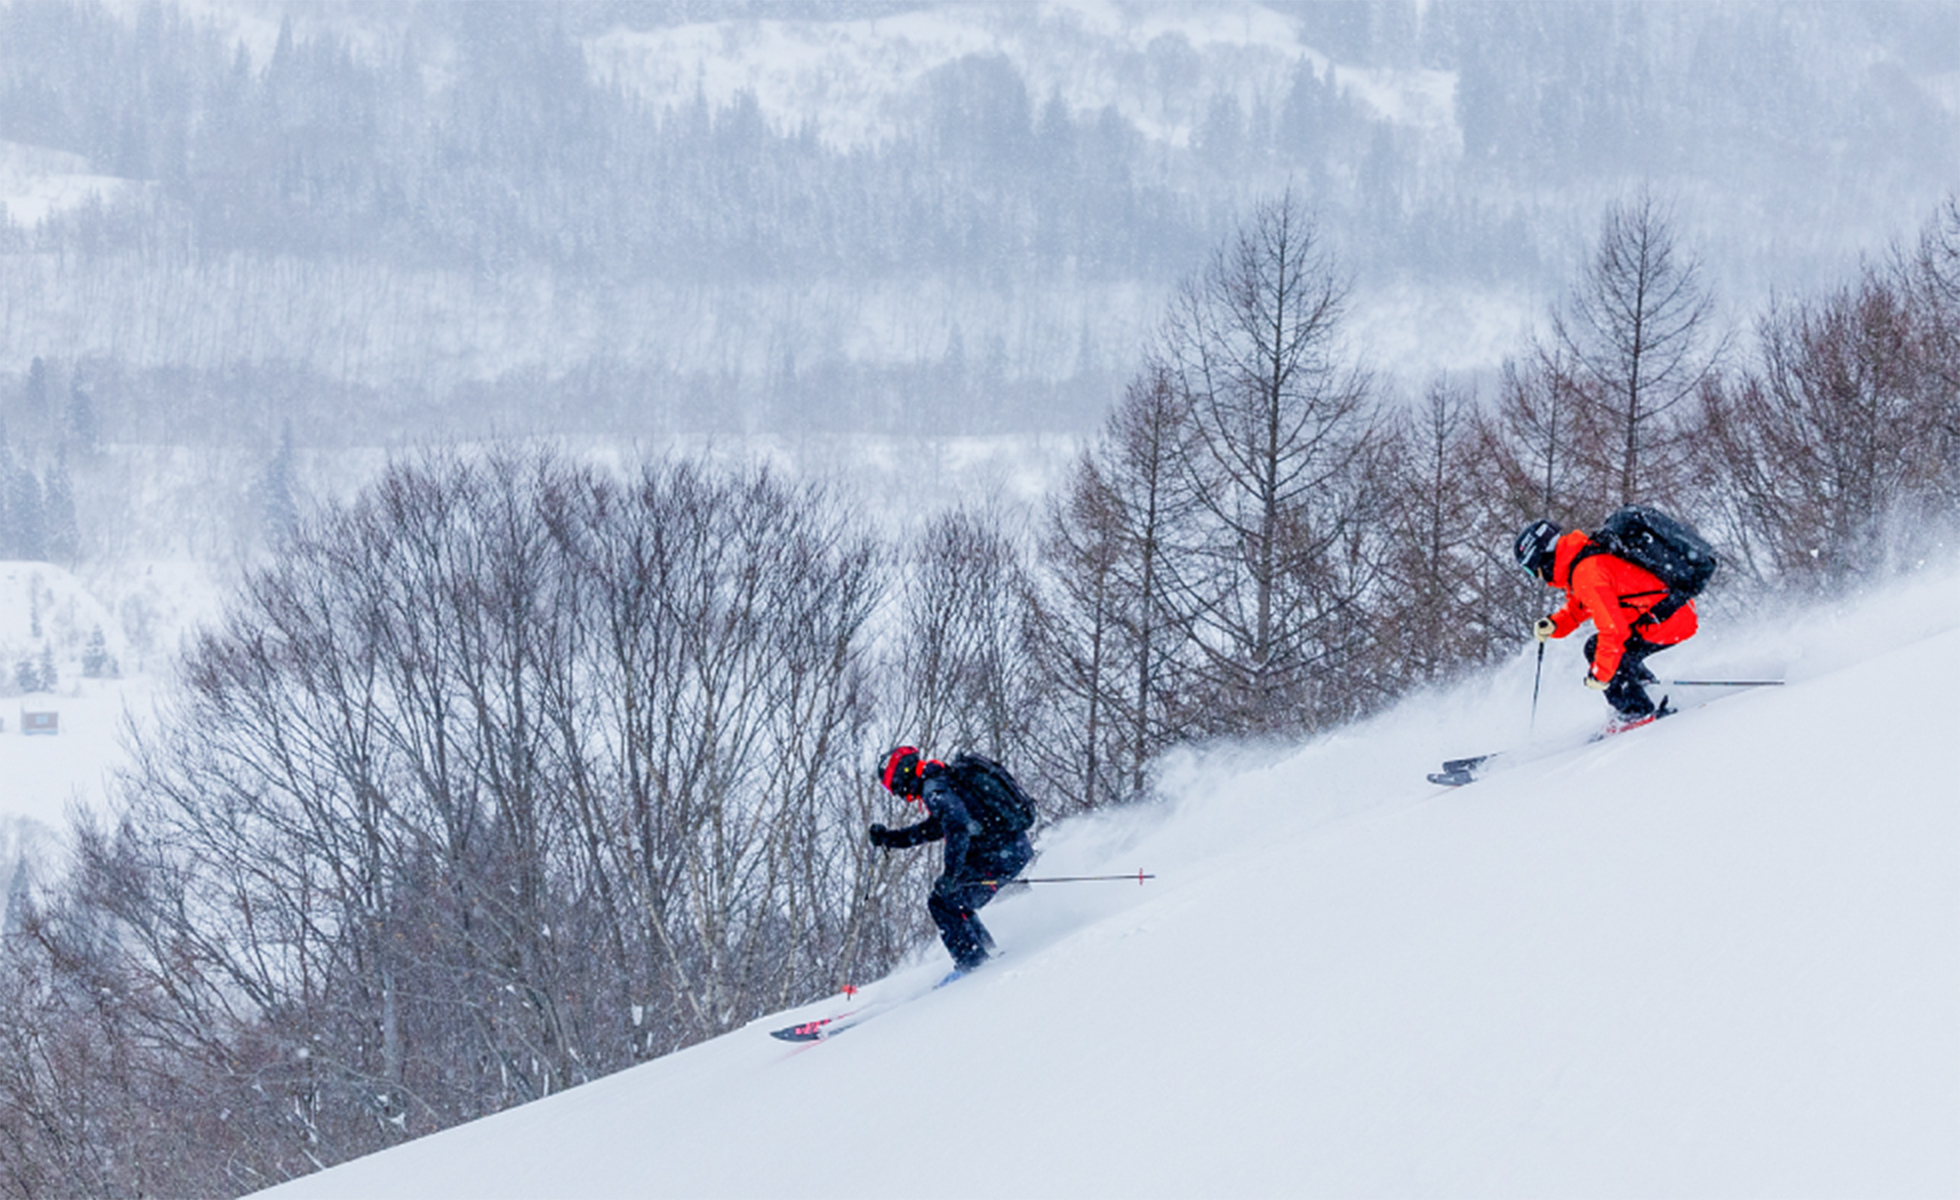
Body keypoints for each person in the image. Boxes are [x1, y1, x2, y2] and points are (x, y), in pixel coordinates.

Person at [1514, 518, 1698, 726]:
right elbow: (1582, 605)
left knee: (1606, 653)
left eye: (1532, 570)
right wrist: (1555, 624)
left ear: (1543, 559)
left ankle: (1637, 714)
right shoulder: (1583, 561)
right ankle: (1644, 690)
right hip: (1667, 614)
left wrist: (1601, 676)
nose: (1539, 577)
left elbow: (1613, 631)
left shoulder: (1586, 573)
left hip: (1667, 621)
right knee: (1603, 650)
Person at [868, 745, 1034, 974]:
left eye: (892, 786)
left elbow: (957, 826)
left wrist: (951, 875)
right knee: (951, 900)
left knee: (943, 901)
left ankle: (974, 965)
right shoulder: (941, 780)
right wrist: (890, 838)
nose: (897, 794)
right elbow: (934, 829)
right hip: (1009, 849)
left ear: (901, 777)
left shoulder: (934, 788)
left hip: (1001, 855)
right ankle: (985, 954)